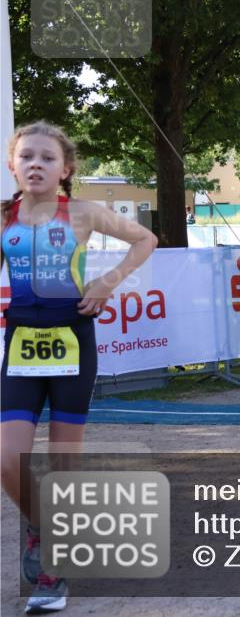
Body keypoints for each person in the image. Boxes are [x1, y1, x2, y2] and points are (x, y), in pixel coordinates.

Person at [1, 122, 157, 613]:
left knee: (64, 464)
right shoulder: (4, 218)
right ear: (12, 165)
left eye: (47, 158)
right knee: (8, 460)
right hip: (20, 343)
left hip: (73, 341)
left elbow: (145, 240)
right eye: (26, 156)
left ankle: (52, 574)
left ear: (65, 169)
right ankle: (43, 528)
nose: (36, 165)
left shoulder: (83, 214)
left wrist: (108, 280)